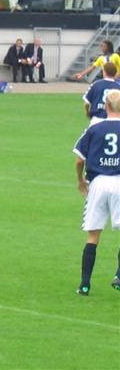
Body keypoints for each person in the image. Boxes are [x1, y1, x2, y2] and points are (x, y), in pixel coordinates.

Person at [72, 89, 120, 296]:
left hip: (98, 183)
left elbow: (79, 159)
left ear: (106, 106)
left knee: (93, 235)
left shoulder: (93, 129)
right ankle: (118, 276)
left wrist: (80, 179)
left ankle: (84, 285)